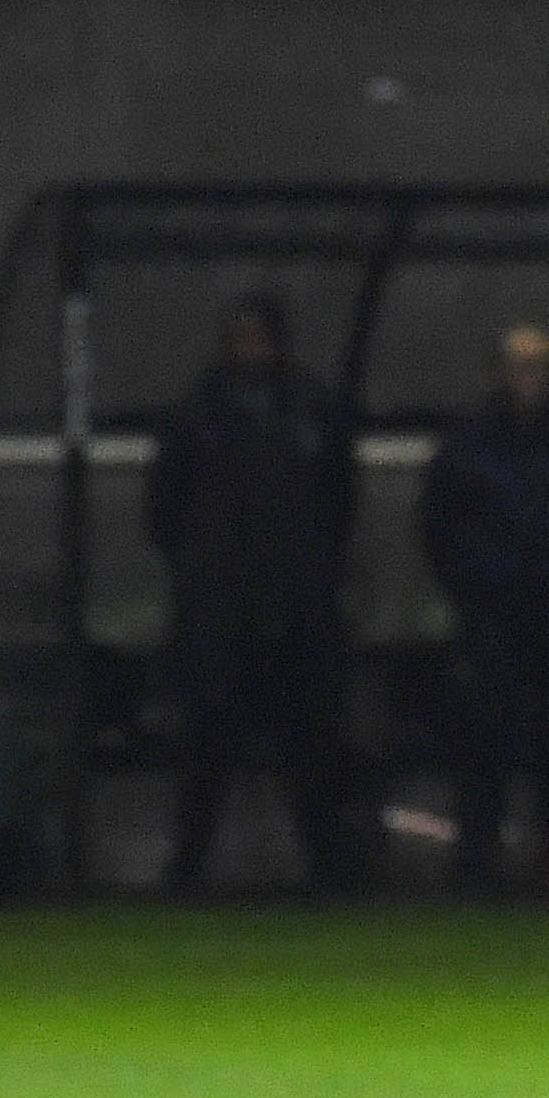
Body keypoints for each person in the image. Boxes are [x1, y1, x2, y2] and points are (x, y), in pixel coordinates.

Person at [146, 291, 363, 893]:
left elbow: (341, 503)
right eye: (243, 336)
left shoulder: (313, 409)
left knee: (309, 744)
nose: (252, 347)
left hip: (297, 609)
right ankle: (187, 870)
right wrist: (203, 573)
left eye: (261, 336)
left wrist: (311, 571)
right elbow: (162, 511)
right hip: (219, 612)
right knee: (208, 743)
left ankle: (329, 868)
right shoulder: (198, 414)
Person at [420, 323, 549, 890]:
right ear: (500, 372)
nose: (529, 379)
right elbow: (439, 526)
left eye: (539, 367)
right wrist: (471, 588)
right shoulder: (471, 440)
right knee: (485, 742)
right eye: (519, 366)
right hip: (492, 618)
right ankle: (478, 868)